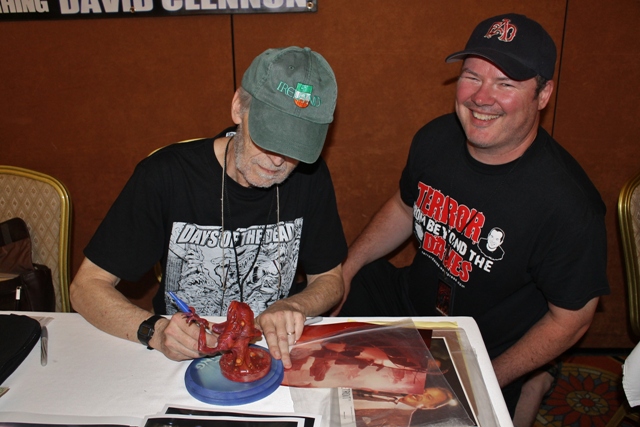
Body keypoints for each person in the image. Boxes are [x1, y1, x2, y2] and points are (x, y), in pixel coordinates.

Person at [333, 13, 609, 425]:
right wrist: (347, 270)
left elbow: (571, 320)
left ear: (544, 94)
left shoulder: (569, 205)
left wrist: (481, 380)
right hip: (414, 301)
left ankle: (533, 379)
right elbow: (405, 207)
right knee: (314, 329)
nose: (482, 97)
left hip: (486, 344)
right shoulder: (436, 137)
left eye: (506, 83)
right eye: (472, 76)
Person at [70, 46, 347, 370]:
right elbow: (85, 286)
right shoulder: (167, 175)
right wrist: (155, 331)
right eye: (269, 138)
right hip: (176, 356)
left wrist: (295, 305)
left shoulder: (310, 177)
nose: (277, 160)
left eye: (295, 148)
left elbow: (330, 278)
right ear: (238, 107)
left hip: (271, 356)